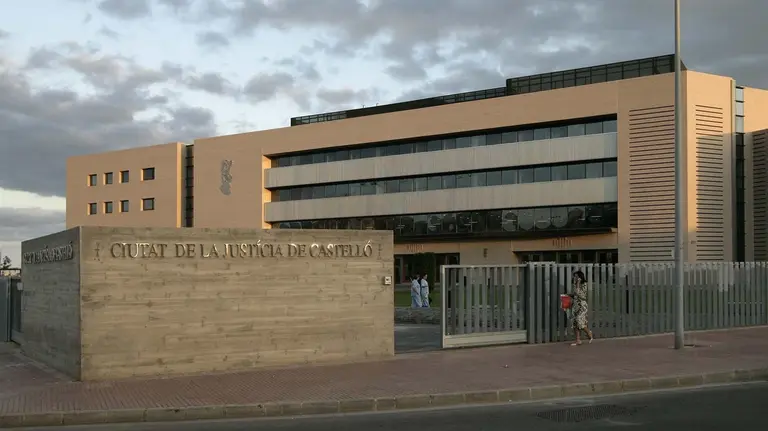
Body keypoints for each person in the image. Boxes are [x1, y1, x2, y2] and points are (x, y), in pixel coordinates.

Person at [570, 270, 594, 346]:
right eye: (574, 277)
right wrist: (570, 295)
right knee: (575, 323)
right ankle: (578, 340)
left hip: (582, 306)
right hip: (576, 305)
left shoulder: (584, 284)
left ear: (580, 277)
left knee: (579, 321)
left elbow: (581, 294)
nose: (575, 278)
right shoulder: (575, 284)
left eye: (576, 276)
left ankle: (589, 333)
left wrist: (578, 284)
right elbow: (576, 294)